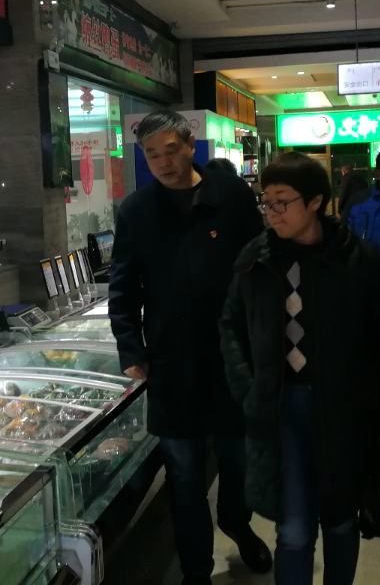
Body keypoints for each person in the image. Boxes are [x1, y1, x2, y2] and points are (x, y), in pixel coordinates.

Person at [219, 152, 380, 585]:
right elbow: (230, 324)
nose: (272, 212)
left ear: (315, 202)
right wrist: (248, 388)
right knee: (293, 526)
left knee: (341, 518)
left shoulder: (358, 260)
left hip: (345, 409)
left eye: (282, 201)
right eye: (266, 202)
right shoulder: (256, 258)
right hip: (280, 406)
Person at [108, 109, 270, 585]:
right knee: (183, 476)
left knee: (238, 458)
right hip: (171, 363)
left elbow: (261, 267)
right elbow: (123, 287)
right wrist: (130, 349)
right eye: (152, 154)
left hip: (231, 357)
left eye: (171, 150)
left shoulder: (231, 196)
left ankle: (237, 523)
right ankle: (196, 571)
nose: (163, 162)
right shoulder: (136, 211)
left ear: (190, 146)